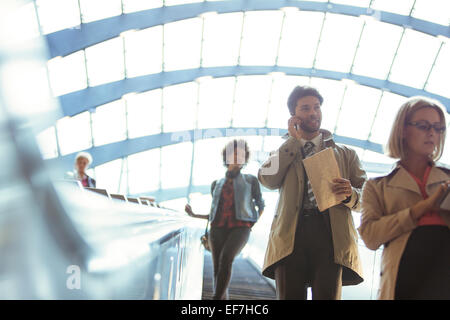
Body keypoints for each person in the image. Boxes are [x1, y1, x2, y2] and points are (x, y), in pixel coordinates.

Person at [258, 85, 366, 300]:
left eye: (316, 107)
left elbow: (367, 199)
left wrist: (350, 194)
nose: (313, 113)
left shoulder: (346, 154)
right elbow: (267, 179)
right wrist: (293, 141)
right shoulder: (283, 152)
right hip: (290, 236)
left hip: (331, 237)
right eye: (305, 108)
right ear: (294, 115)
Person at [358, 97, 450, 300]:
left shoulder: (448, 178)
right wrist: (421, 209)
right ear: (402, 130)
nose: (432, 133)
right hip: (405, 274)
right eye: (423, 126)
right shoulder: (377, 186)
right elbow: (370, 236)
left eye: (438, 127)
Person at [185, 139, 265, 300]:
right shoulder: (216, 184)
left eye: (242, 155)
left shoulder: (251, 181)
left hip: (241, 228)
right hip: (217, 228)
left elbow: (260, 205)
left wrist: (251, 223)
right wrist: (194, 215)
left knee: (226, 259)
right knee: (217, 268)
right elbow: (214, 213)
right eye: (235, 154)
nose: (238, 157)